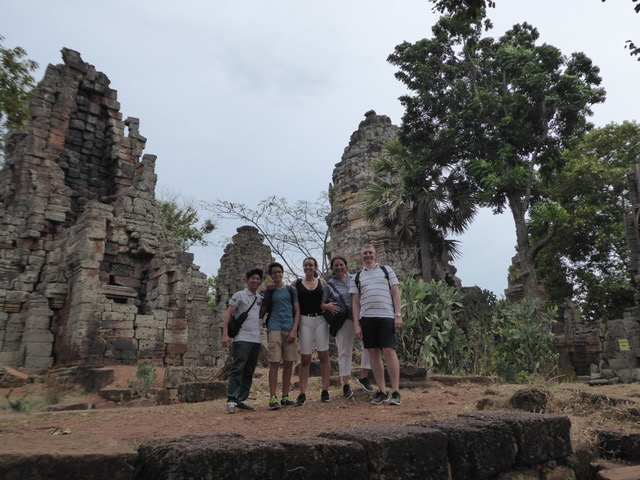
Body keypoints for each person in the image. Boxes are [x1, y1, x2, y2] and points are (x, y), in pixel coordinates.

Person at [350, 244, 403, 406]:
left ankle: (395, 391)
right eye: (365, 253)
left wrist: (398, 315)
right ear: (361, 257)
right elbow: (355, 303)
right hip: (367, 317)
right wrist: (357, 325)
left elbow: (395, 293)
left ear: (375, 255)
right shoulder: (357, 277)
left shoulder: (386, 271)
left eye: (370, 253)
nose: (368, 255)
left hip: (386, 315)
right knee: (373, 353)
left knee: (389, 351)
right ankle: (381, 390)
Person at [321, 256, 373, 399]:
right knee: (344, 351)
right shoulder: (329, 285)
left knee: (369, 345)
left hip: (361, 316)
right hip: (343, 320)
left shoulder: (355, 278)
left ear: (346, 266)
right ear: (332, 268)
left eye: (341, 265)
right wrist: (327, 306)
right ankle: (345, 384)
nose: (339, 267)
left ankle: (363, 376)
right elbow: (321, 304)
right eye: (336, 265)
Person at [221, 268, 264, 414]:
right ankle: (231, 399)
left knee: (249, 370)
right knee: (237, 368)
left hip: (256, 339)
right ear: (247, 280)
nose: (255, 281)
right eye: (253, 278)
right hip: (242, 338)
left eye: (258, 279)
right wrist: (225, 335)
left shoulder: (259, 299)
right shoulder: (239, 295)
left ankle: (242, 399)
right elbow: (228, 315)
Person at [293, 257, 330, 405]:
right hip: (304, 320)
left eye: (311, 265)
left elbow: (328, 299)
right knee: (305, 359)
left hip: (320, 319)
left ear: (315, 267)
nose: (308, 267)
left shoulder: (322, 283)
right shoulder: (296, 283)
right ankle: (302, 393)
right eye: (306, 265)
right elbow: (285, 293)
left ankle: (325, 390)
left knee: (323, 356)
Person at [263, 262, 300, 410]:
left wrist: (294, 330)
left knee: (289, 362)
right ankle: (272, 397)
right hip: (274, 327)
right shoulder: (270, 291)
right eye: (274, 273)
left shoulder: (291, 290)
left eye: (279, 272)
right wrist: (265, 288)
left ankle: (285, 396)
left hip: (289, 327)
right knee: (274, 362)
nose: (277, 274)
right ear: (271, 275)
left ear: (282, 273)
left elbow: (297, 311)